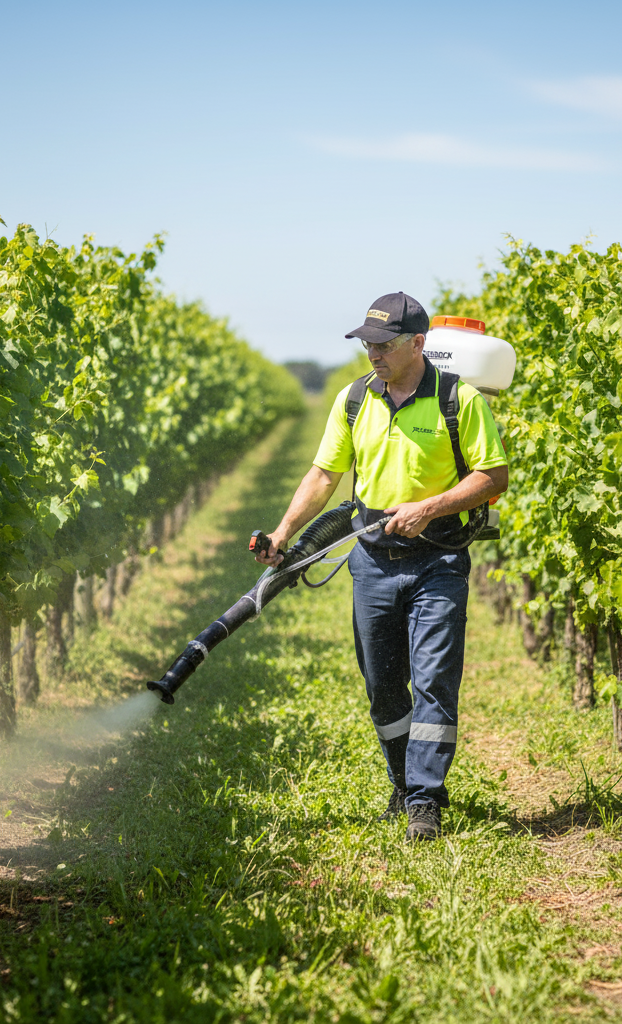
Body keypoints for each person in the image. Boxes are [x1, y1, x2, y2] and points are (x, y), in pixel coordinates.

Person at [255, 292, 507, 841]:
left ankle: (425, 800)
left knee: (435, 682)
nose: (373, 353)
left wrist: (429, 507)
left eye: (384, 344)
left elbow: (492, 476)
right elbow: (323, 476)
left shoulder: (459, 401)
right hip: (372, 563)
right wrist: (282, 533)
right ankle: (402, 780)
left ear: (418, 343)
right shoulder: (353, 400)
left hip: (437, 559)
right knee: (383, 685)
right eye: (366, 342)